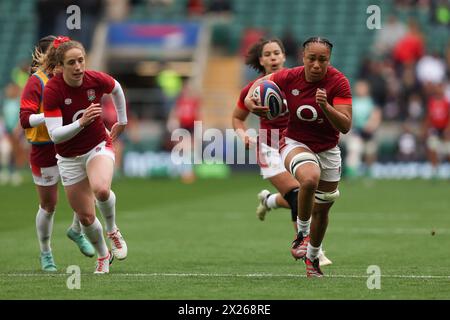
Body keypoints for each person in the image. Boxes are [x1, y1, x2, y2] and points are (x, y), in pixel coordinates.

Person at [245, 37, 352, 277]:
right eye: (311, 59)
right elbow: (255, 87)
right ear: (303, 58)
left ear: (329, 60)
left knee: (322, 211)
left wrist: (326, 107)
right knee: (309, 179)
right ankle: (301, 236)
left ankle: (312, 259)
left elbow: (345, 125)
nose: (316, 65)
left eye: (322, 60)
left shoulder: (339, 82)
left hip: (328, 150)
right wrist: (250, 102)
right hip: (294, 142)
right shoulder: (289, 76)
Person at [233, 38, 332, 266]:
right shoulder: (252, 89)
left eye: (276, 53)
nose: (273, 57)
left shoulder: (296, 80)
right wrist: (244, 135)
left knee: (308, 198)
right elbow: (237, 118)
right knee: (299, 194)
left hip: (295, 143)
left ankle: (269, 201)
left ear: (284, 56)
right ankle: (311, 249)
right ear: (261, 60)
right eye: (267, 54)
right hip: (269, 147)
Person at [43, 39, 128, 274]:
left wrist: (122, 120)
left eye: (81, 60)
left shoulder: (94, 79)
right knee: (86, 216)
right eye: (72, 63)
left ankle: (112, 231)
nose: (78, 67)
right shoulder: (53, 90)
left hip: (97, 146)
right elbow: (55, 135)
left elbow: (117, 88)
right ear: (61, 66)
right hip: (68, 158)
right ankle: (103, 254)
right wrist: (81, 122)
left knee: (101, 189)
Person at [20, 35, 95, 272]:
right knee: (49, 205)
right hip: (44, 148)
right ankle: (46, 253)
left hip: (69, 143)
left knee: (88, 188)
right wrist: (52, 115)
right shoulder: (37, 82)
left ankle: (77, 230)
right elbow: (25, 120)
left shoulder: (70, 78)